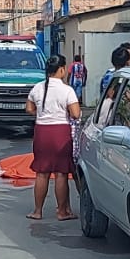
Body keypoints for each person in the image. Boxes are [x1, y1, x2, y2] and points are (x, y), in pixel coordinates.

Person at [26, 55, 81, 221]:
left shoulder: (37, 88)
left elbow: (29, 108)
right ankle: (62, 211)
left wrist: (43, 114)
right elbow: (76, 113)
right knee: (61, 173)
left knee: (41, 173)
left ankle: (37, 211)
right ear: (62, 69)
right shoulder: (67, 90)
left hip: (42, 132)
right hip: (60, 134)